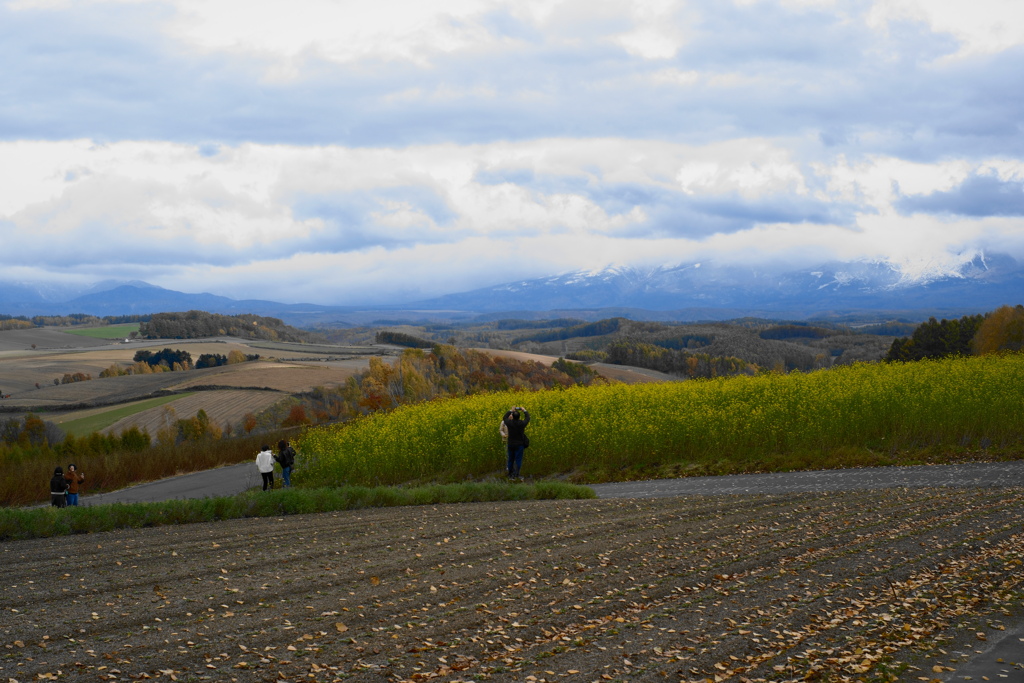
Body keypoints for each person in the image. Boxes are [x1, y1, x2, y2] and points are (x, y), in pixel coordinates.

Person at [501, 406, 530, 480]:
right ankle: (516, 475)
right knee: (518, 460)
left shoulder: (509, 423)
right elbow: (527, 418)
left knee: (510, 459)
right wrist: (524, 410)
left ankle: (510, 475)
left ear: (512, 416)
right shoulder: (521, 424)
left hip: (511, 444)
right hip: (519, 444)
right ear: (519, 417)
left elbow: (504, 417)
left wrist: (511, 410)